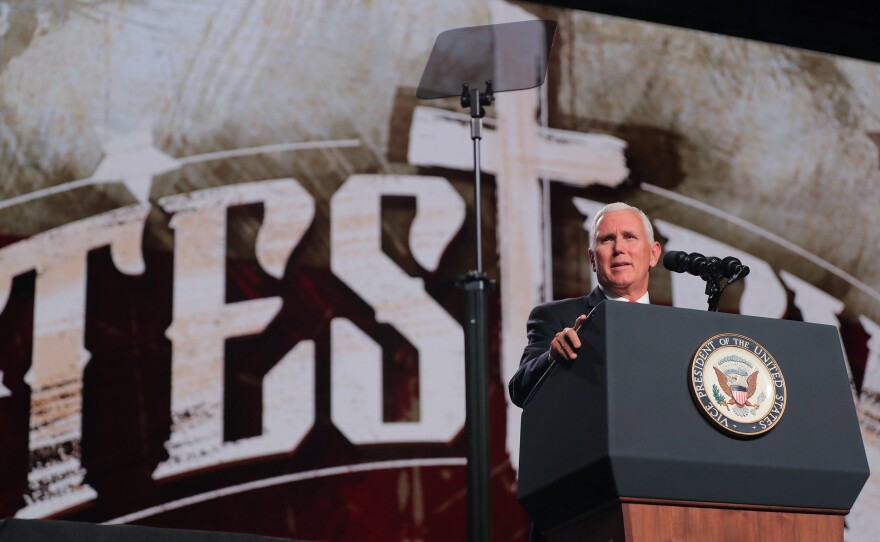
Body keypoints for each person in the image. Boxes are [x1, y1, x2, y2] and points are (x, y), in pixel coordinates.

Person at [508, 202, 662, 407]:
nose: (619, 248)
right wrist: (552, 358)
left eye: (629, 237)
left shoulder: (673, 326)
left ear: (653, 253)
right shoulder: (554, 316)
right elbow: (519, 391)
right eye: (607, 239)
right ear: (592, 259)